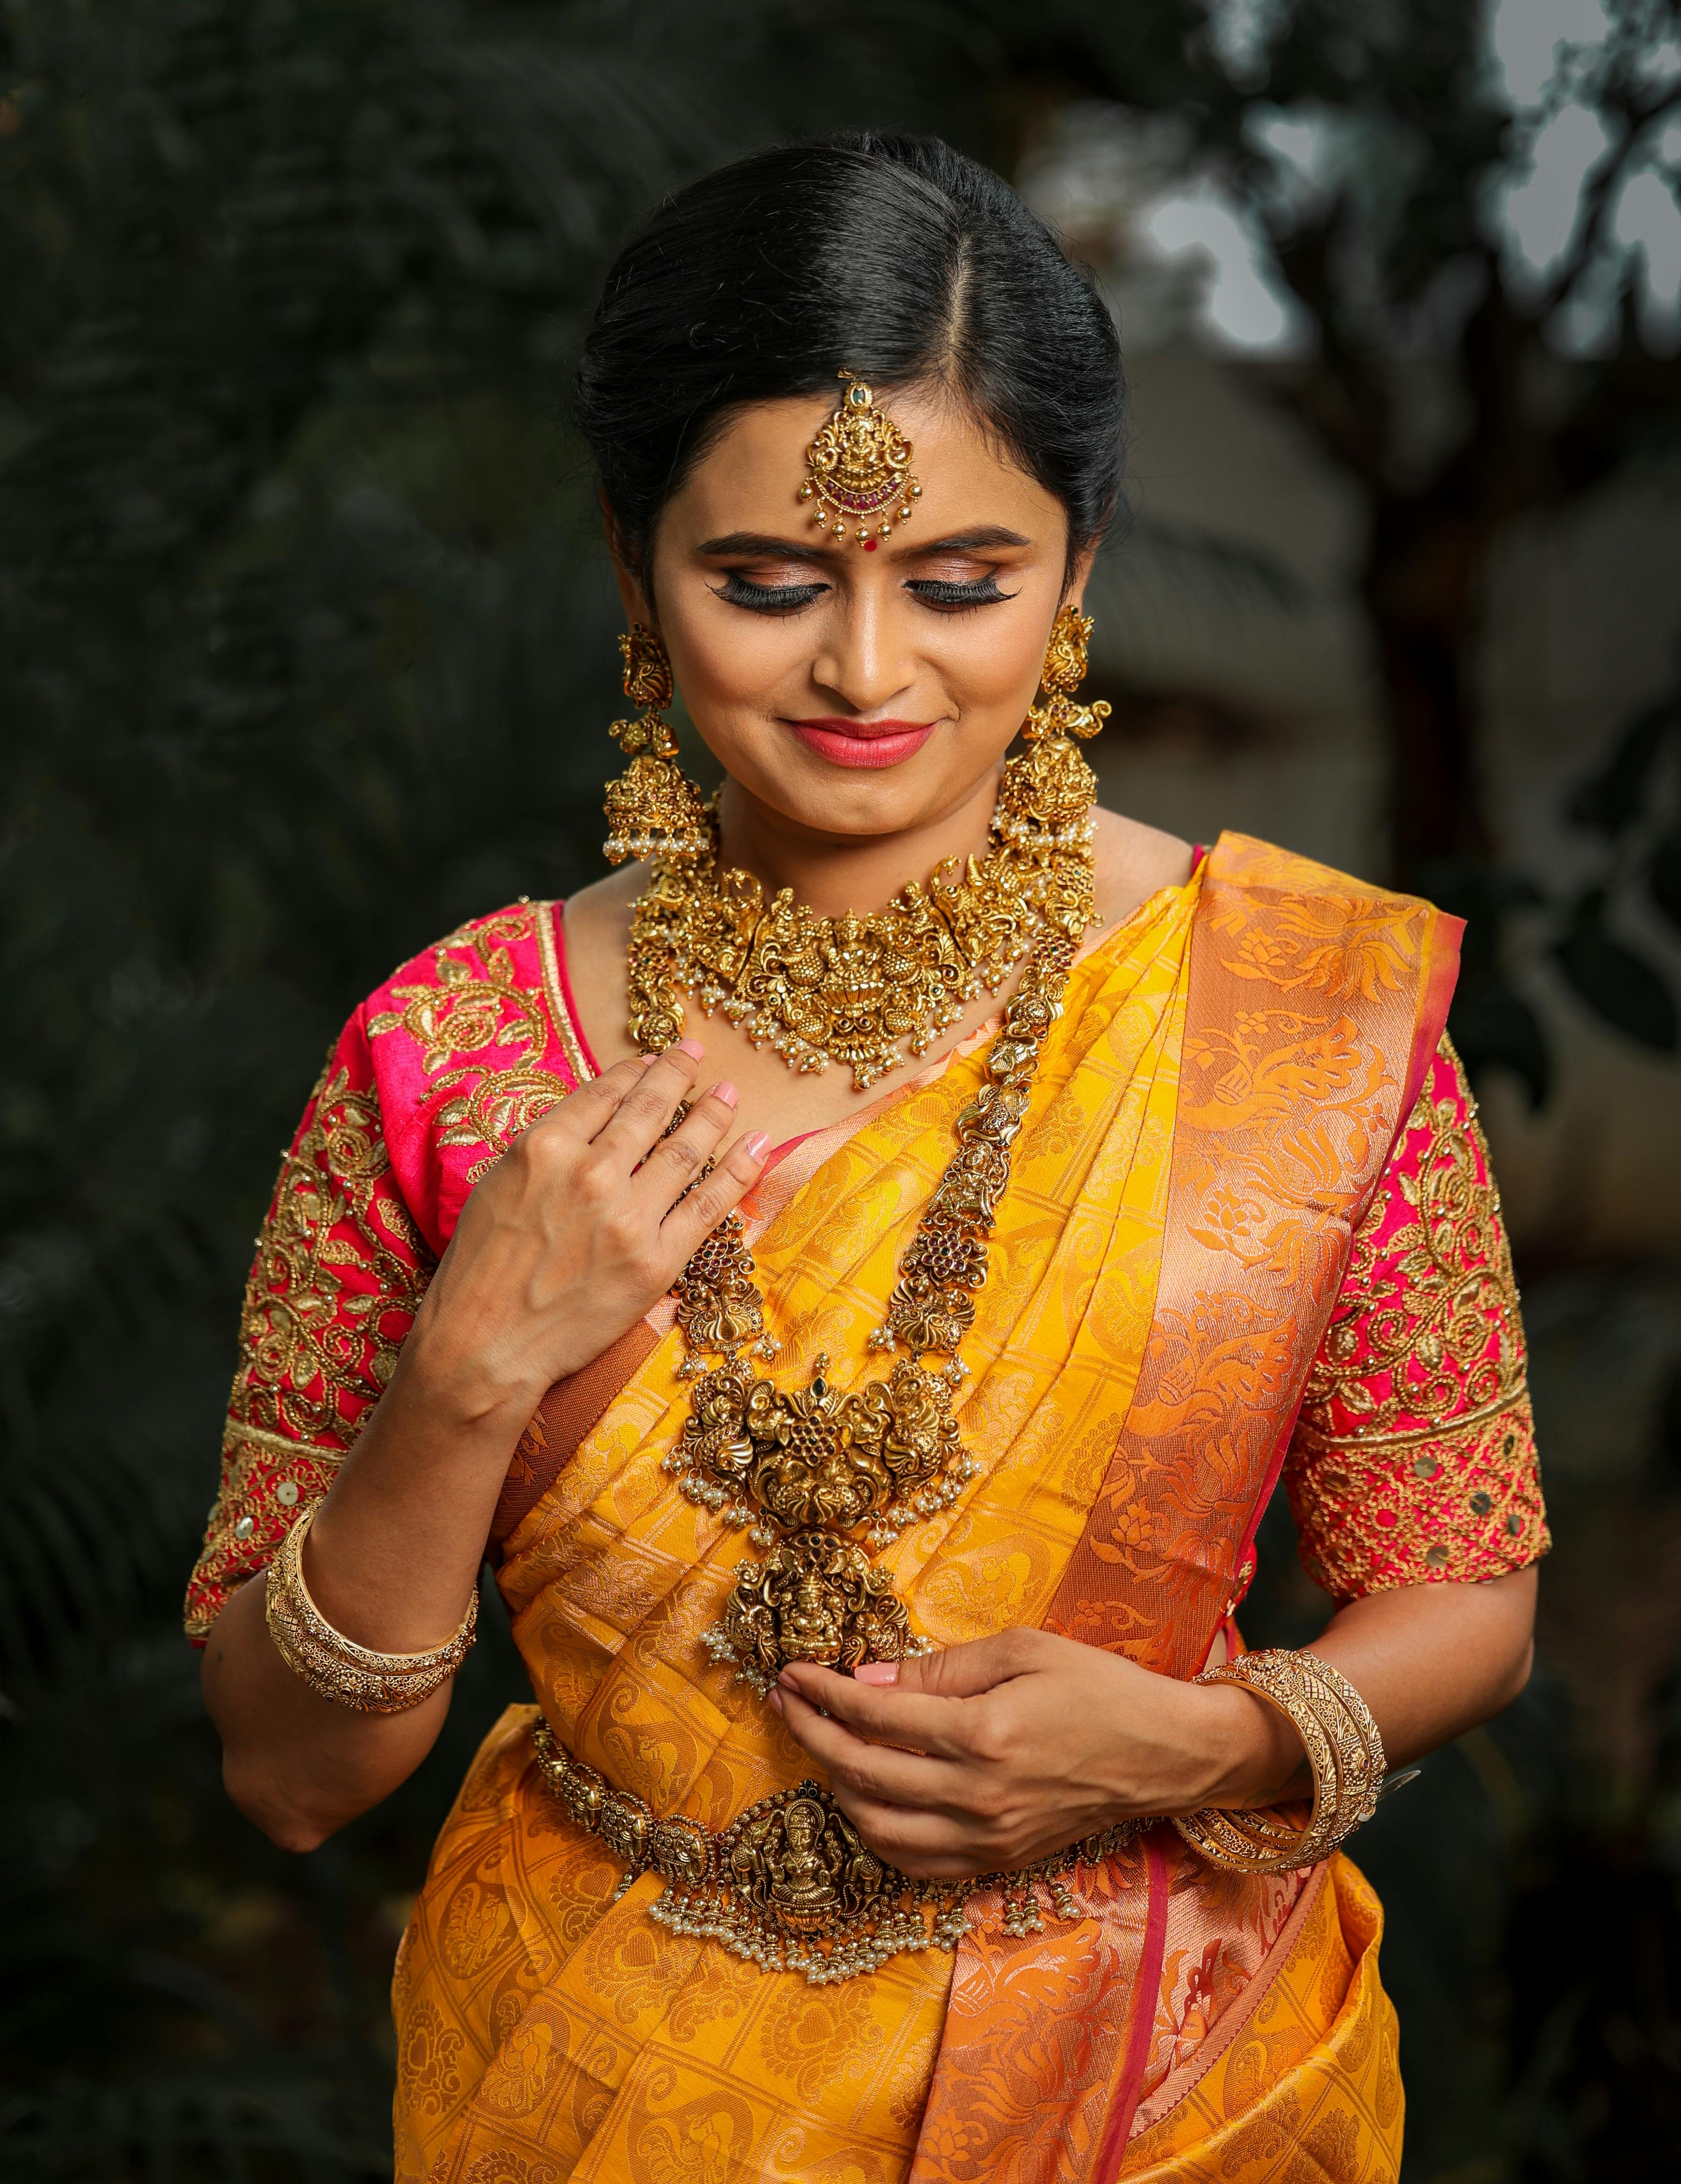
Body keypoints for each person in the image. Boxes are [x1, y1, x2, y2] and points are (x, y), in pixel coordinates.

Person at [186, 134, 1547, 2183]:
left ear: (1074, 569)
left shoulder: (1299, 1017)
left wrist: (1209, 1740)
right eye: (764, 582)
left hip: (1159, 2085)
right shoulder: (455, 1059)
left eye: (958, 582)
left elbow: (1461, 1586)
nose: (862, 671)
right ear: (635, 560)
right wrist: (470, 1373)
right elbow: (293, 1774)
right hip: (597, 2090)